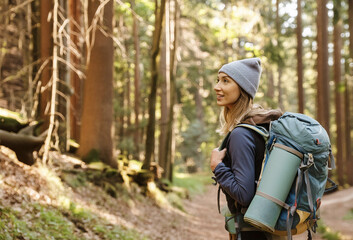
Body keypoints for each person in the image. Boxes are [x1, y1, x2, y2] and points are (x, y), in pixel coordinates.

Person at [210, 57, 283, 240]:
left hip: (252, 232)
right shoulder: (260, 127)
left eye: (226, 81)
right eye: (218, 79)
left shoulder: (241, 134)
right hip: (267, 230)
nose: (217, 86)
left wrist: (217, 166)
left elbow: (244, 195)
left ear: (243, 88)